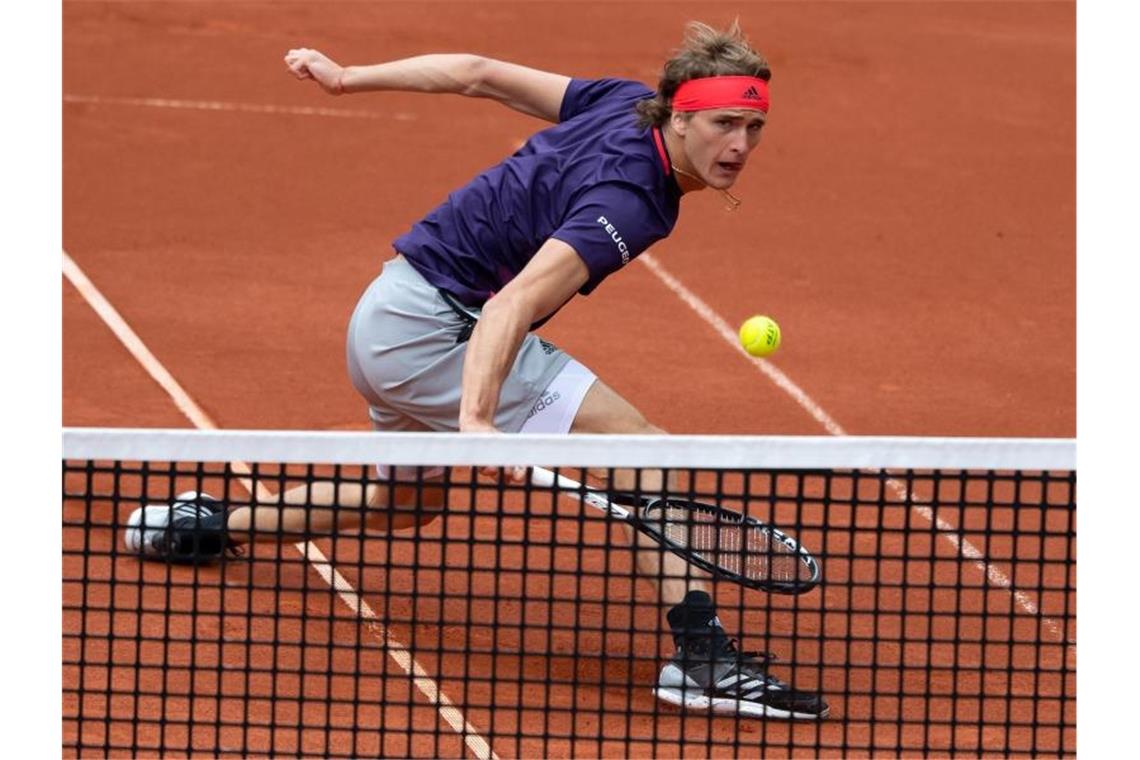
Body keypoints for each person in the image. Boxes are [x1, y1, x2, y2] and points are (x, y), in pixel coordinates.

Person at [124, 21, 828, 720]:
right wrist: (478, 423)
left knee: (407, 505)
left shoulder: (621, 102)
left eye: (753, 127)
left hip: (388, 314)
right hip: (435, 334)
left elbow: (477, 72)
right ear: (680, 116)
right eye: (724, 124)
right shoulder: (629, 201)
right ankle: (700, 657)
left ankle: (205, 526)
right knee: (645, 458)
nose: (740, 145)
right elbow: (511, 306)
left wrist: (348, 77)